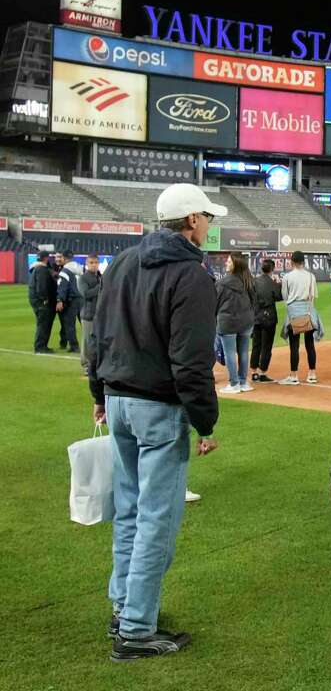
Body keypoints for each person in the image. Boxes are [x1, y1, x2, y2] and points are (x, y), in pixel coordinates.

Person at [88, 183, 224, 660]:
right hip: (158, 409)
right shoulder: (191, 274)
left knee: (129, 513)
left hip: (118, 399)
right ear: (190, 222)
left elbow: (98, 334)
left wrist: (98, 394)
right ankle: (136, 631)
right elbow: (191, 363)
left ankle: (124, 609)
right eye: (206, 217)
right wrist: (206, 422)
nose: (209, 225)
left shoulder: (124, 261)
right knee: (155, 521)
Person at [215, 252, 257, 394]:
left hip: (228, 322)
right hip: (246, 322)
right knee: (244, 352)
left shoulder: (222, 283)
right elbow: (254, 302)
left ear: (236, 264)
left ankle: (234, 384)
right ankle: (243, 382)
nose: (226, 263)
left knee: (230, 353)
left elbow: (215, 303)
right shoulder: (248, 281)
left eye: (229, 261)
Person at [280, 251, 322, 385]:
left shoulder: (287, 277)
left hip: (294, 311)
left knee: (294, 346)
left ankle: (293, 375)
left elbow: (285, 296)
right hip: (308, 310)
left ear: (292, 262)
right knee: (310, 345)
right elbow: (313, 296)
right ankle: (312, 374)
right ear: (303, 262)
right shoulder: (311, 276)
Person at [250, 258, 283, 384]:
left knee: (256, 345)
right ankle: (263, 372)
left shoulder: (254, 281)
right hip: (269, 317)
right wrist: (278, 285)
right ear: (272, 269)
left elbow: (250, 297)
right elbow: (279, 297)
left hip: (256, 317)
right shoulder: (272, 283)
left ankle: (254, 373)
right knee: (266, 346)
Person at [28, 250, 57, 354]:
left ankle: (43, 345)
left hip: (37, 301)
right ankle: (40, 347)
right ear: (46, 258)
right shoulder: (42, 269)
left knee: (43, 324)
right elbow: (42, 287)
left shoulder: (37, 268)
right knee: (43, 324)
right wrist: (45, 299)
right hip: (41, 302)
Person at [79, 254, 103, 373]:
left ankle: (96, 364)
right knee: (87, 341)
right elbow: (86, 294)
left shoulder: (100, 277)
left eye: (96, 262)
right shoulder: (83, 278)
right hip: (88, 314)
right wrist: (100, 287)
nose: (94, 265)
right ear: (87, 264)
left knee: (98, 341)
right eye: (91, 262)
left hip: (100, 314)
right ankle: (86, 365)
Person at [56, 252, 82, 353]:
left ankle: (74, 346)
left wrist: (60, 300)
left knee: (69, 324)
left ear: (65, 258)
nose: (60, 259)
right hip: (82, 298)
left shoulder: (65, 271)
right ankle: (92, 344)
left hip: (71, 301)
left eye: (61, 257)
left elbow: (63, 287)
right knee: (85, 323)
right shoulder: (80, 268)